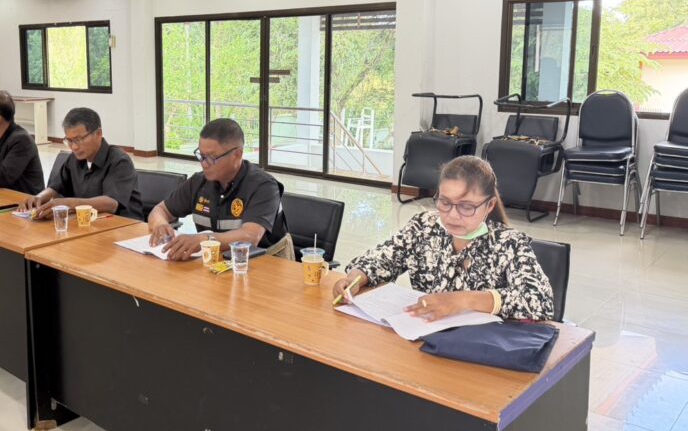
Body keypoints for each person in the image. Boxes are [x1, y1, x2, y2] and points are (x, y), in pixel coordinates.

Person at [331, 156, 554, 322]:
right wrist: (355, 279)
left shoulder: (509, 243)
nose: (452, 215)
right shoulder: (424, 227)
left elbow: (540, 300)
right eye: (445, 202)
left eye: (466, 206)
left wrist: (462, 300)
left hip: (478, 349)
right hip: (423, 337)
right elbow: (383, 258)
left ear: (489, 205)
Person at [146, 118, 287, 261]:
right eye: (201, 156)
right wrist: (160, 225)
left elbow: (250, 237)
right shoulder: (198, 182)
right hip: (217, 260)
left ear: (237, 154)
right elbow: (160, 210)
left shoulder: (264, 186)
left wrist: (204, 240)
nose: (204, 164)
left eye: (212, 157)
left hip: (266, 261)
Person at [23, 107, 142, 219]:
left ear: (98, 134)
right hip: (87, 223)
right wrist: (38, 198)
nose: (74, 147)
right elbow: (56, 188)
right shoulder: (74, 159)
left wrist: (69, 204)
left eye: (78, 140)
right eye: (69, 141)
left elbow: (111, 203)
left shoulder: (119, 161)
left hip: (123, 226)